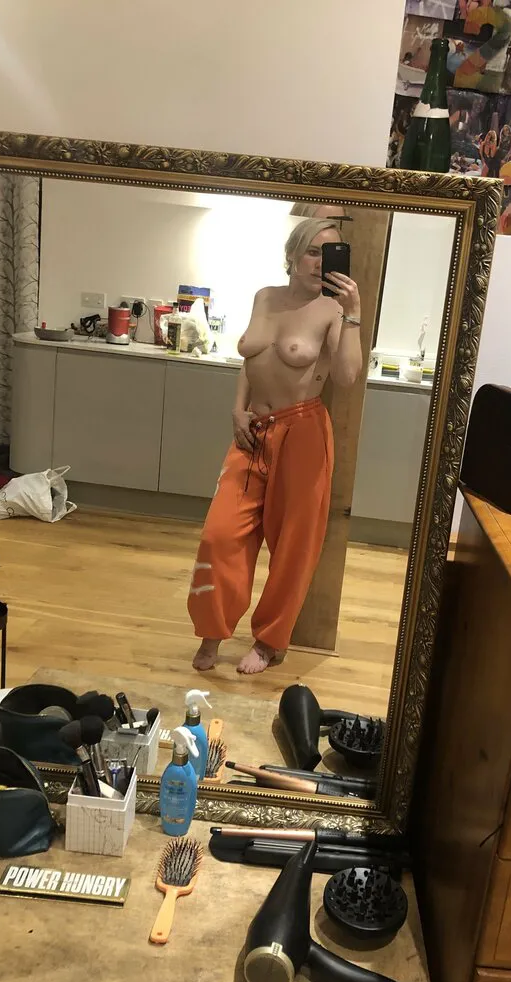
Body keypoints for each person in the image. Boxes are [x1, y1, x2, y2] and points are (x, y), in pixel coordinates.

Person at [189, 218, 362, 674]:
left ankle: (269, 642)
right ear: (292, 255)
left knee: (293, 546)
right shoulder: (264, 297)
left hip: (302, 432)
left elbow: (346, 376)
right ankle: (212, 630)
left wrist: (354, 313)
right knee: (221, 534)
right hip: (252, 433)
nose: (321, 263)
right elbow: (251, 361)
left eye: (330, 254)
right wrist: (237, 409)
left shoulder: (332, 310)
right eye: (313, 251)